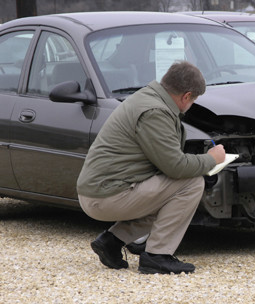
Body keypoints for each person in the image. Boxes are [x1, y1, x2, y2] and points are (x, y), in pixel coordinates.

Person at [77, 61, 225, 274]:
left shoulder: (147, 97)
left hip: (102, 191)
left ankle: (112, 241)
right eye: (194, 99)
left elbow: (163, 163)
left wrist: (199, 166)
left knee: (174, 192)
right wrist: (211, 160)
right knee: (191, 184)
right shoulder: (155, 112)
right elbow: (175, 167)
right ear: (187, 96)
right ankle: (158, 255)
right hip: (106, 196)